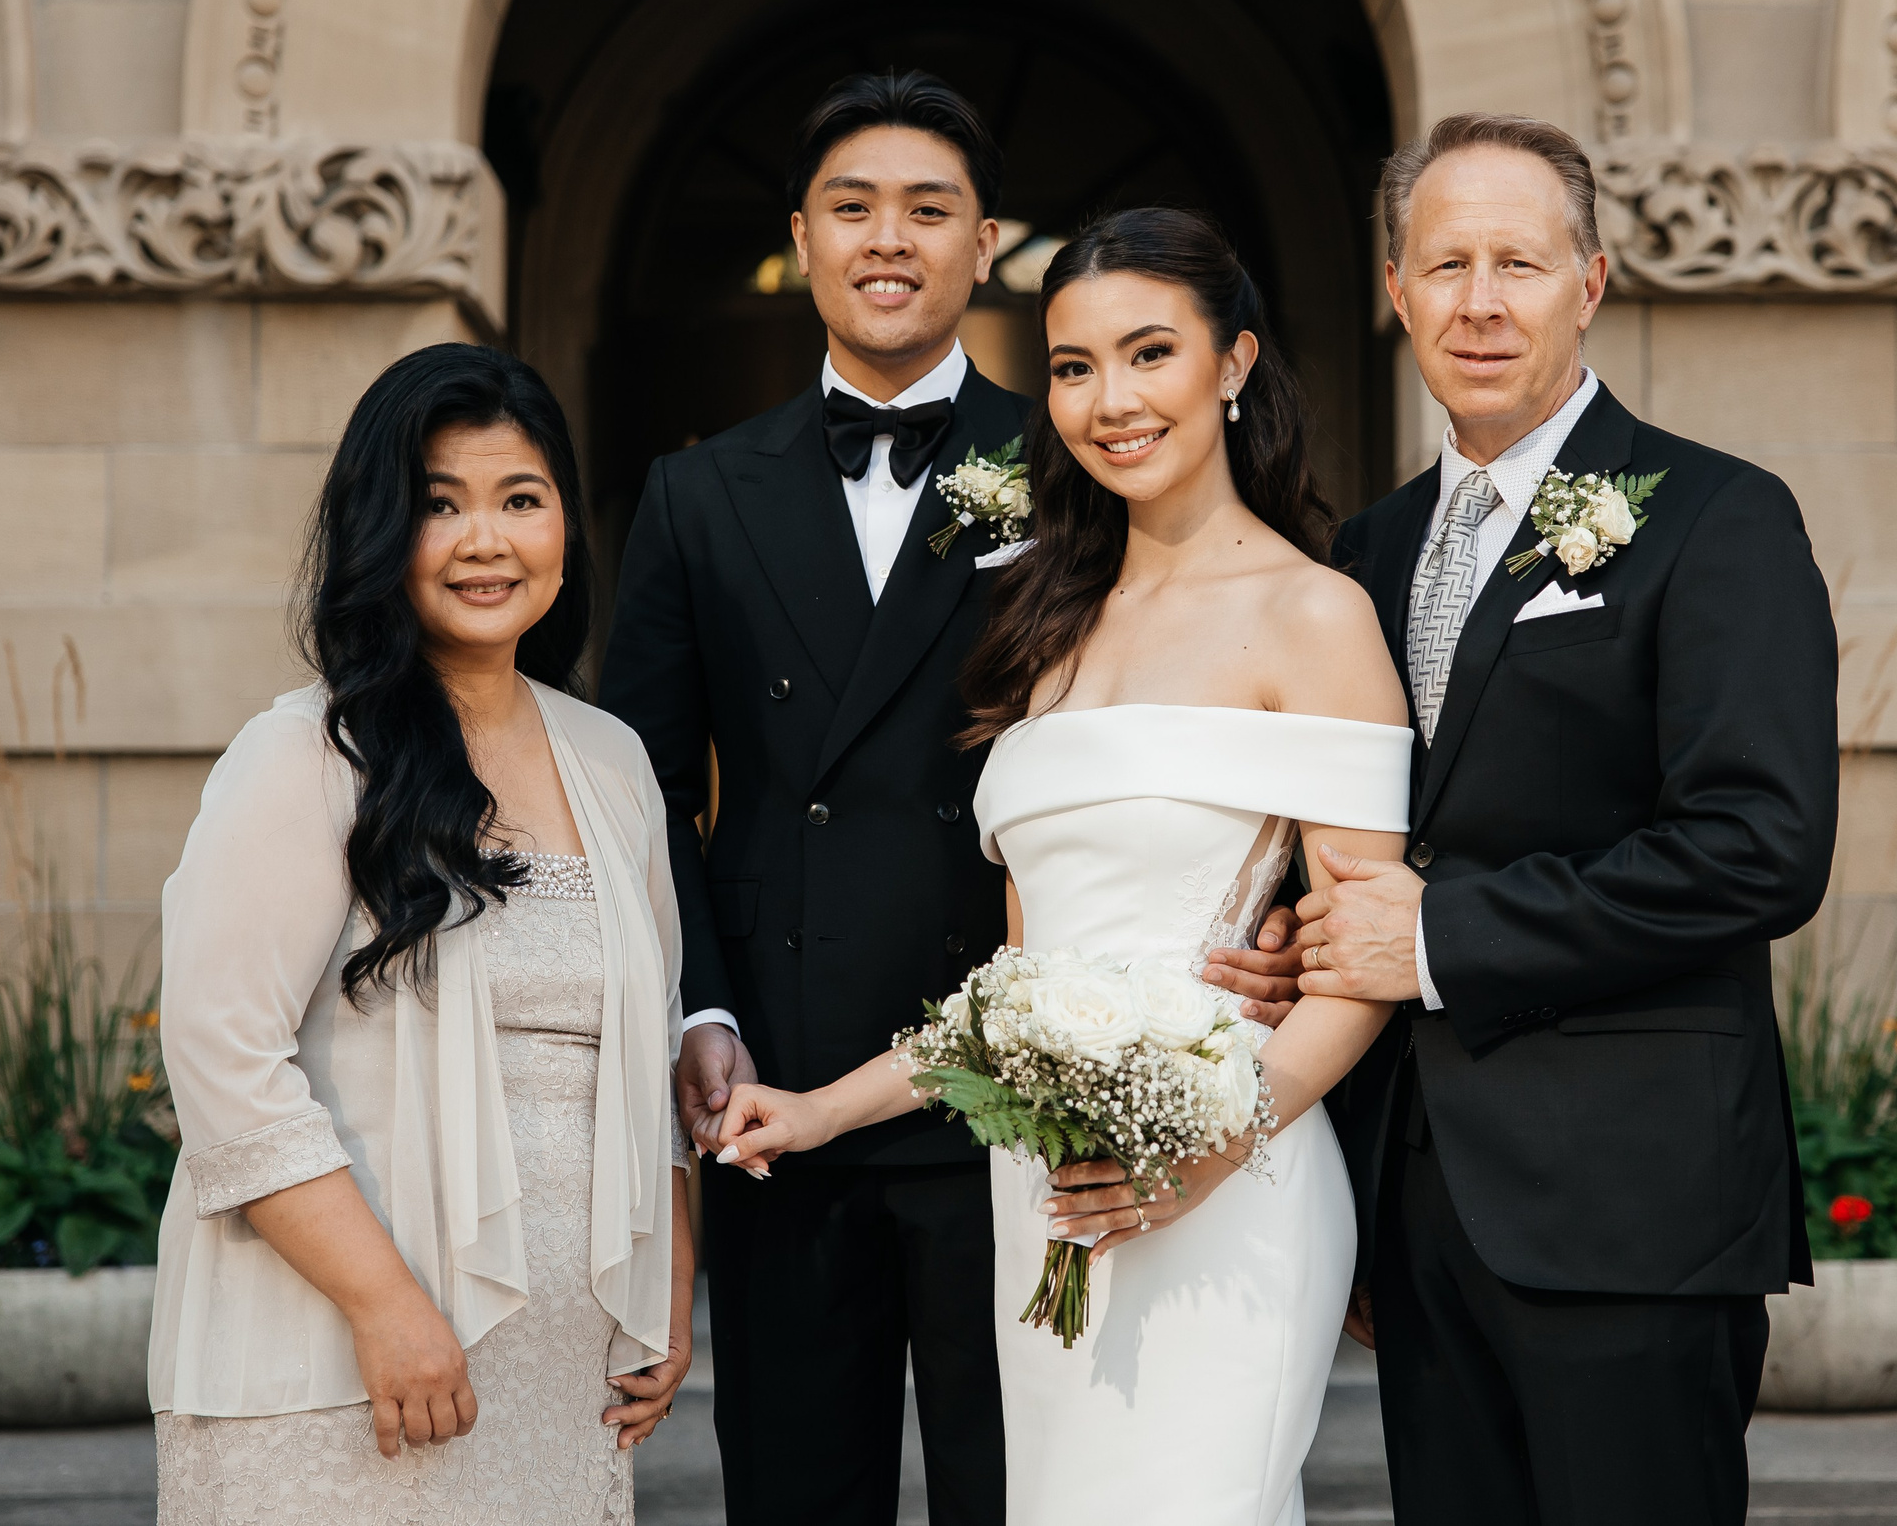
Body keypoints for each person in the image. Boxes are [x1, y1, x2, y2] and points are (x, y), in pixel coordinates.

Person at [708, 207, 1414, 1526]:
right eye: (1076, 365)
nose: (1110, 399)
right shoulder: (1046, 623)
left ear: (1235, 362)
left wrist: (1211, 1144)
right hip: (1042, 1186)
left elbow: (1363, 958)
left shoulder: (1313, 611)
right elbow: (1019, 983)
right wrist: (815, 1108)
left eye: (1150, 353)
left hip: (1232, 1178)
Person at [1208, 113, 1838, 1524]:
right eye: (1446, 265)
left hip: (1632, 1203)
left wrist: (1442, 932)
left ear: (1591, 282)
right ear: (1396, 293)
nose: (1480, 301)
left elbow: (1759, 844)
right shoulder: (1359, 555)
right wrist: (1300, 950)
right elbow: (1357, 848)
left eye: (1519, 263)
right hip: (1421, 1203)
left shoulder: (1714, 517)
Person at [147, 343, 693, 1524]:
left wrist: (671, 1276)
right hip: (345, 1361)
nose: (484, 540)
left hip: (557, 1381)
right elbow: (222, 1061)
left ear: (565, 527)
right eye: (439, 505)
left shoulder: (613, 760)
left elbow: (646, 1055)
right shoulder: (303, 755)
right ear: (381, 531)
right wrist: (385, 1306)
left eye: (520, 500)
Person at [596, 70, 1019, 1526]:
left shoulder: (1078, 464)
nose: (887, 238)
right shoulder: (697, 493)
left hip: (1014, 1079)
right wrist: (698, 1011)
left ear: (985, 248)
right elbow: (640, 786)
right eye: (852, 207)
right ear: (802, 236)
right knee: (794, 1491)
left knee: (1016, 1487)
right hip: (775, 1084)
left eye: (928, 208)